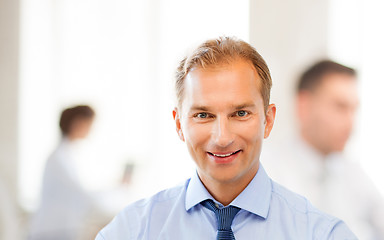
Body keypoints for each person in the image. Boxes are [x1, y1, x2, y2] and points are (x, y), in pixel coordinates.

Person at [95, 37, 357, 239]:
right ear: (178, 124)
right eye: (203, 115)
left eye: (240, 113)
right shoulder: (130, 231)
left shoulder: (322, 234)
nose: (222, 138)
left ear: (268, 120)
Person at [262, 60, 384, 240]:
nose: (351, 124)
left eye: (354, 109)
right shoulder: (267, 171)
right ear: (304, 106)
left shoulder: (354, 173)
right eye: (340, 107)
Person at [29, 105, 98, 240]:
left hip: (61, 230)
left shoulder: (68, 155)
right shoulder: (58, 159)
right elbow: (82, 195)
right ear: (78, 123)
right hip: (51, 232)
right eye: (89, 124)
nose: (91, 129)